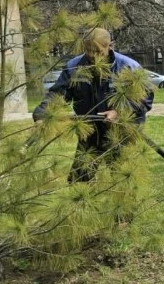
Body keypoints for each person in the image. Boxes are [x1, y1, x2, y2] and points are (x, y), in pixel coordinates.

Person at [33, 28, 154, 183]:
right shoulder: (74, 67)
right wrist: (42, 113)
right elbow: (58, 94)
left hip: (120, 132)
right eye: (88, 50)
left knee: (123, 180)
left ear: (110, 46)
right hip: (89, 131)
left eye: (97, 51)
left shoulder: (129, 67)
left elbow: (144, 98)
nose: (91, 55)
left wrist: (119, 112)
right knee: (79, 183)